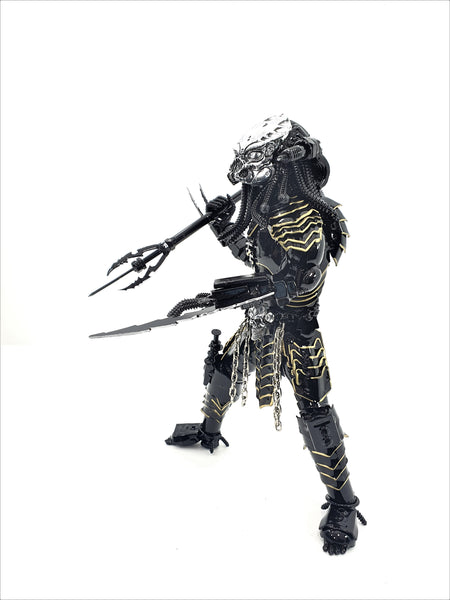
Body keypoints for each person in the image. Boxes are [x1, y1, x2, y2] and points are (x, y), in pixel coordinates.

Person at [165, 115, 366, 555]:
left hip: (297, 332)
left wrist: (226, 294)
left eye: (255, 161)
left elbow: (298, 282)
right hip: (261, 321)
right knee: (224, 370)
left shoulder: (308, 221)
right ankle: (208, 431)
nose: (245, 172)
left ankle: (343, 503)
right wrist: (224, 228)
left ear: (285, 162)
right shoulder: (269, 211)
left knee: (314, 414)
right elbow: (255, 255)